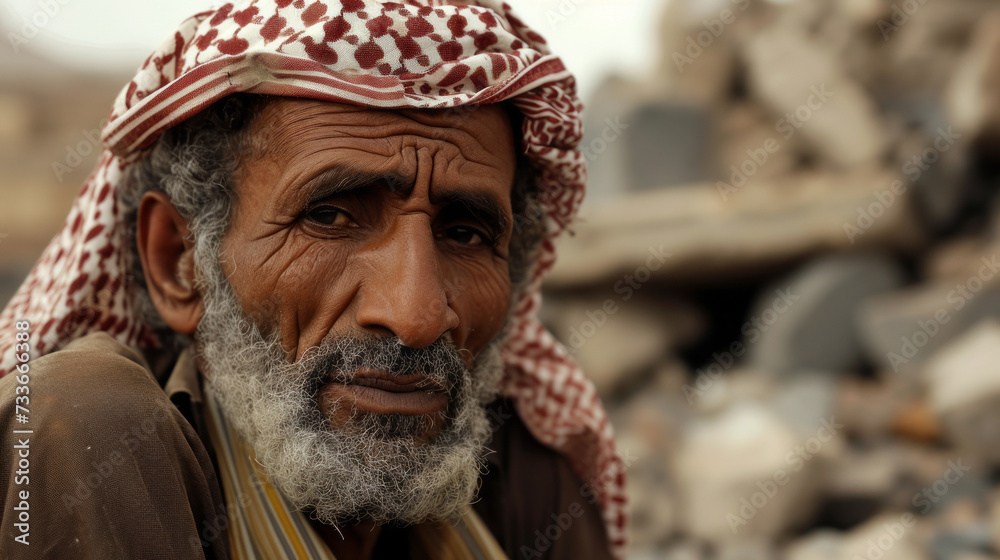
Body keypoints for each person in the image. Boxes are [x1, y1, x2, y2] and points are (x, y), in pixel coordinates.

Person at [0, 1, 627, 558]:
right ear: (179, 262)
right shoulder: (85, 426)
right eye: (329, 216)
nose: (415, 316)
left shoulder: (522, 469)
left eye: (465, 233)